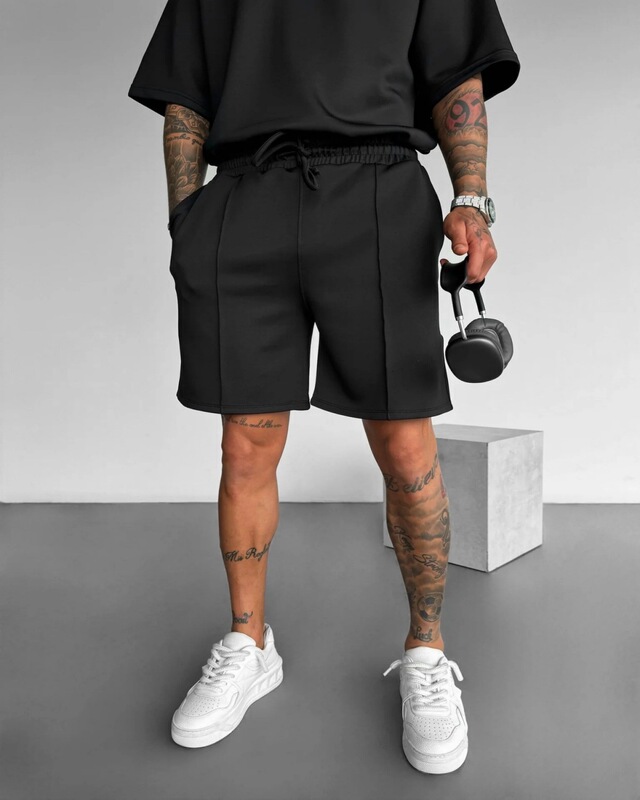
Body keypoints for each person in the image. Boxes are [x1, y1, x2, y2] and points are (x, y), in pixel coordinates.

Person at [128, 0, 520, 774]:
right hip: (246, 193)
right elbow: (185, 93)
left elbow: (457, 76)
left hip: (379, 189)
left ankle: (427, 651)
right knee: (245, 444)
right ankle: (249, 643)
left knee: (405, 441)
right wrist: (186, 222)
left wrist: (470, 199)